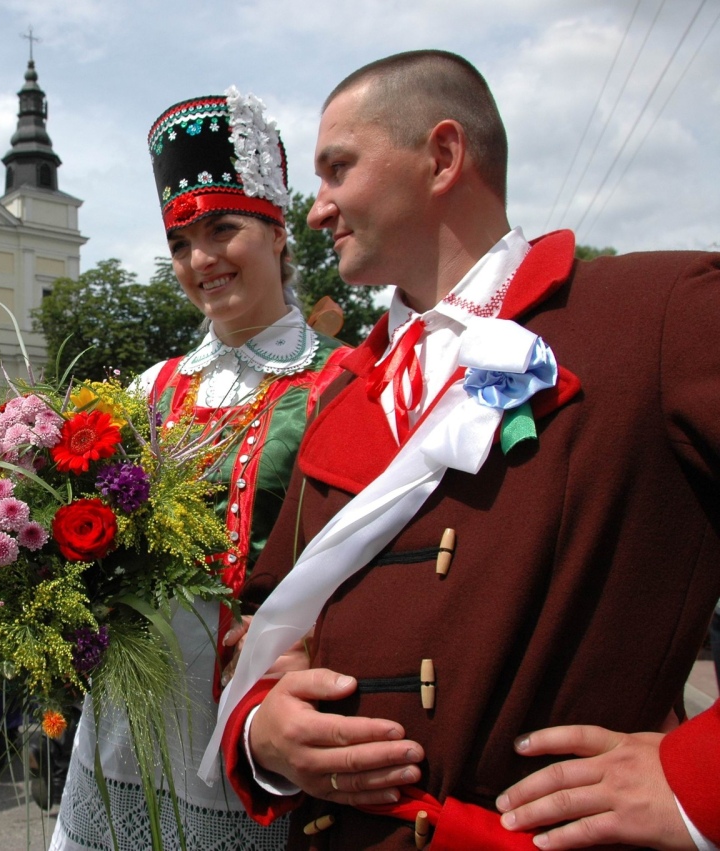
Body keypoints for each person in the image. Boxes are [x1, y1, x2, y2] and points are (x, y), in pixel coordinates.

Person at [214, 50, 720, 850]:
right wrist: (261, 733)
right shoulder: (337, 395)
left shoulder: (655, 313)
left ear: (443, 156)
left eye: (337, 168)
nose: (316, 209)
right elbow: (267, 626)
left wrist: (697, 781)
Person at [49, 90, 345, 851]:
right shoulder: (151, 389)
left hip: (261, 712)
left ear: (280, 235)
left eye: (223, 229)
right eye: (181, 242)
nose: (201, 260)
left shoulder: (343, 380)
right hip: (134, 714)